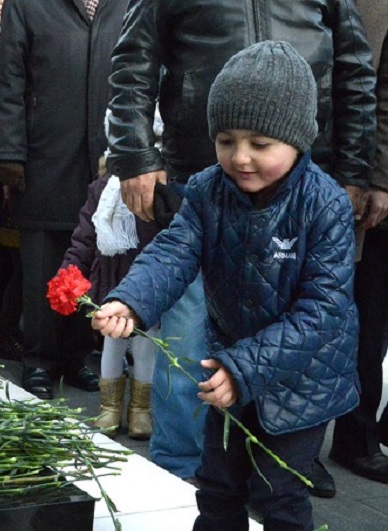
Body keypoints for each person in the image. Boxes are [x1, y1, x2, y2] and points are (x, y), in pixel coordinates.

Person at [107, 0, 376, 491]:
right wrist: (134, 152)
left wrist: (357, 167)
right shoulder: (211, 187)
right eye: (235, 142)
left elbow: (354, 68)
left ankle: (283, 462)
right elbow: (133, 61)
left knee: (291, 333)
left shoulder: (323, 205)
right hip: (199, 170)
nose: (245, 153)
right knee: (189, 345)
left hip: (305, 178)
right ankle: (180, 479)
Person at [0, 0, 128, 399]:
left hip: (104, 157)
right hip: (44, 152)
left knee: (94, 257)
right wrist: (9, 154)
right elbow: (10, 79)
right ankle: (38, 358)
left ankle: (75, 354)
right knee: (42, 263)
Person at [329, 3, 388, 483]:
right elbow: (372, 97)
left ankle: (360, 434)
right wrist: (377, 179)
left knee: (370, 328)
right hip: (358, 187)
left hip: (366, 183)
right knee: (352, 321)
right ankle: (340, 439)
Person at [59, 167, 158, 439]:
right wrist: (70, 270)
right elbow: (85, 236)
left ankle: (140, 410)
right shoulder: (102, 187)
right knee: (111, 344)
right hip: (111, 277)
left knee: (145, 345)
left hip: (147, 278)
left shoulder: (157, 183)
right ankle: (109, 408)